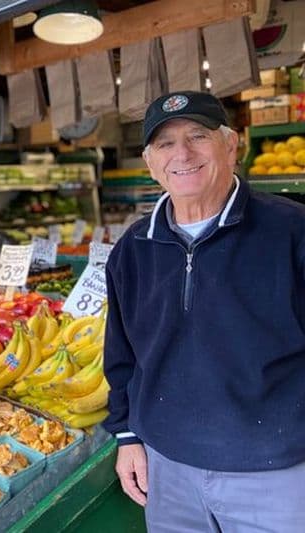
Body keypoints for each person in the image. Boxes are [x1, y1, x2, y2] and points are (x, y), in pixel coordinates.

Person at [103, 91, 305, 532]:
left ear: (232, 146)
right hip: (168, 471)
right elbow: (123, 358)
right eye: (165, 144)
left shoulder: (292, 232)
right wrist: (127, 435)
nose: (183, 154)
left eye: (198, 135)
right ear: (150, 163)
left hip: (276, 474)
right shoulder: (132, 250)